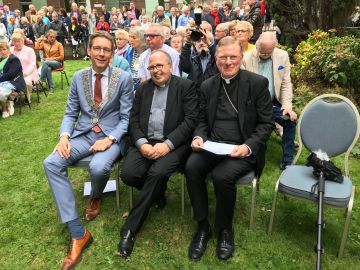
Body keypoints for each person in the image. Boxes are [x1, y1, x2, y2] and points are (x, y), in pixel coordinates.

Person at [43, 31, 134, 270]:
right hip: (83, 135)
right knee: (51, 163)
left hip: (112, 137)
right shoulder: (78, 77)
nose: (102, 53)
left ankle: (95, 195)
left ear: (112, 53)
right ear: (89, 50)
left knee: (98, 166)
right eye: (97, 48)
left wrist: (111, 139)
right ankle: (78, 233)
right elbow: (70, 112)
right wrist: (64, 136)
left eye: (106, 49)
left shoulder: (123, 78)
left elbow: (127, 118)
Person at [185, 36, 274, 261]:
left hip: (241, 149)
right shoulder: (207, 86)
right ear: (215, 60)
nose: (228, 62)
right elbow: (202, 121)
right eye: (223, 57)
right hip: (213, 146)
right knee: (192, 167)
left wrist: (248, 147)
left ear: (241, 57)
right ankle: (203, 226)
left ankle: (225, 230)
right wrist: (198, 137)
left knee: (222, 176)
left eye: (233, 57)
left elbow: (266, 124)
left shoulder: (257, 83)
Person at [117, 49, 199, 258]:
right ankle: (158, 194)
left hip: (174, 144)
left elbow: (190, 121)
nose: (156, 70)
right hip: (146, 141)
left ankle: (130, 229)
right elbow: (133, 120)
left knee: (157, 173)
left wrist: (168, 144)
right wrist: (142, 144)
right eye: (152, 67)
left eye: (160, 65)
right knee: (128, 175)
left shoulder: (186, 87)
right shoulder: (143, 89)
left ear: (171, 66)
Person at [243, 32, 297, 170]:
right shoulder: (246, 58)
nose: (265, 55)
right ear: (257, 46)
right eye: (262, 52)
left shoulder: (282, 56)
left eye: (269, 52)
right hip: (253, 104)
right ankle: (256, 153)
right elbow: (243, 88)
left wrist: (287, 106)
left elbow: (285, 83)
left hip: (273, 102)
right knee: (257, 123)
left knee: (289, 120)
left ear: (274, 47)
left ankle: (288, 161)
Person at [10, 33, 39, 104]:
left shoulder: (29, 50)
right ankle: (12, 97)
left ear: (22, 41)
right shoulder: (10, 50)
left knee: (26, 81)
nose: (16, 43)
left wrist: (25, 73)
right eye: (14, 41)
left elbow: (32, 64)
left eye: (18, 41)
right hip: (13, 74)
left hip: (28, 73)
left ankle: (27, 97)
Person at [0, 38, 26, 118]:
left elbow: (10, 75)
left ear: (8, 49)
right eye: (0, 50)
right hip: (2, 82)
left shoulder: (14, 59)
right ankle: (8, 103)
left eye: (4, 49)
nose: (2, 52)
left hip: (13, 82)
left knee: (0, 93)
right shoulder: (0, 60)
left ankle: (5, 109)